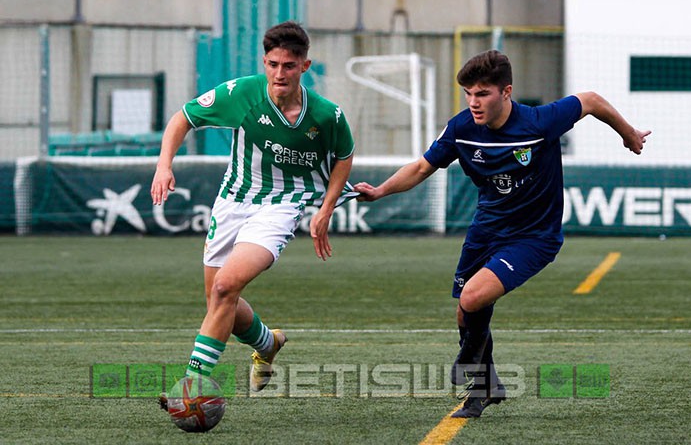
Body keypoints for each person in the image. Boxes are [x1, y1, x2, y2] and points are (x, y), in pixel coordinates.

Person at [354, 50, 650, 418]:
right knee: (465, 312)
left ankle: (469, 366)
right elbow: (420, 167)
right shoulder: (461, 129)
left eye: (482, 94)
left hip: (534, 237)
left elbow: (590, 101)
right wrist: (381, 190)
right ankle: (486, 387)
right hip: (486, 230)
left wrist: (628, 134)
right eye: (468, 94)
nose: (473, 102)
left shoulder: (540, 122)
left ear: (506, 92)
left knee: (474, 297)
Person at [150, 21, 356, 401]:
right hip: (233, 201)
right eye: (273, 64)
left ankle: (192, 383)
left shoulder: (328, 116)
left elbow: (344, 155)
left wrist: (326, 208)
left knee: (227, 286)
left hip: (281, 206)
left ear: (305, 66)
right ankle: (268, 343)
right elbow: (183, 118)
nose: (280, 73)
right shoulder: (242, 93)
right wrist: (164, 165)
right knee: (218, 298)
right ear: (265, 62)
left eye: (289, 66)